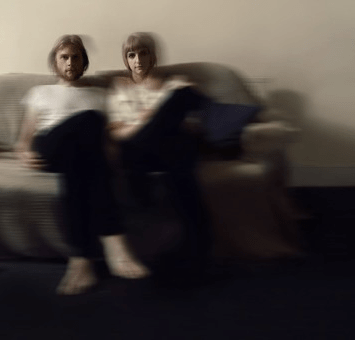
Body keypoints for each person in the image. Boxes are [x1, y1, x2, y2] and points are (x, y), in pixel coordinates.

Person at [107, 32, 296, 267]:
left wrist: (162, 115)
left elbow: (192, 120)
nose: (138, 60)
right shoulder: (120, 87)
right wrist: (146, 122)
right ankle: (241, 130)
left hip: (170, 149)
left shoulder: (171, 83)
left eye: (143, 53)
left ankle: (195, 246)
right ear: (125, 59)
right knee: (181, 103)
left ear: (152, 56)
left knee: (180, 125)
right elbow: (116, 133)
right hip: (138, 151)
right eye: (131, 55)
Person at [16, 34, 150, 295]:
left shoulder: (100, 94)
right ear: (54, 62)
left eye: (76, 57)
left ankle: (81, 260)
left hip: (79, 156)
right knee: (89, 119)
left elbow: (109, 139)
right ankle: (114, 240)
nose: (70, 62)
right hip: (50, 144)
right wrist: (23, 154)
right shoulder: (40, 92)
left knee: (80, 161)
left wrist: (115, 160)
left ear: (84, 62)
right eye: (64, 57)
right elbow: (24, 140)